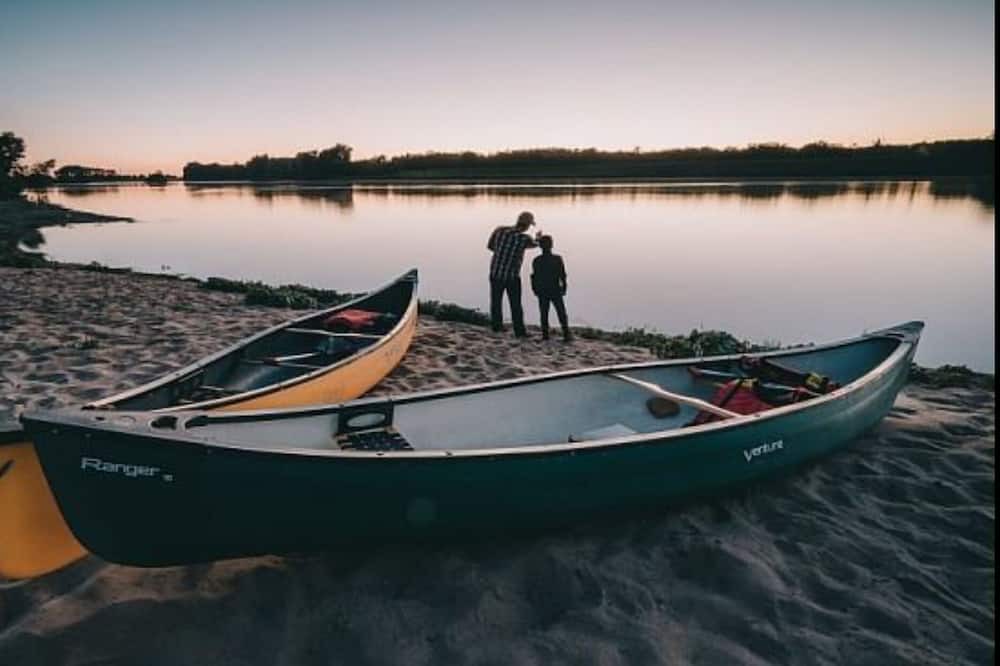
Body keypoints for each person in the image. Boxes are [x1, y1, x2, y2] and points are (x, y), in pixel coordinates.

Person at [487, 211, 539, 337]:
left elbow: (490, 246)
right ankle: (519, 331)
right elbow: (536, 245)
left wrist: (501, 252)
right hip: (511, 276)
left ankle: (496, 327)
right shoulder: (524, 239)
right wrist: (538, 237)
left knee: (496, 302)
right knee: (515, 304)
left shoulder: (499, 230)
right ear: (527, 226)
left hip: (495, 272)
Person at [530, 234, 572, 342]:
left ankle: (546, 334)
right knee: (560, 312)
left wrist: (534, 288)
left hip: (544, 290)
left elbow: (534, 277)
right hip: (554, 289)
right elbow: (562, 274)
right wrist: (564, 286)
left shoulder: (537, 260)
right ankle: (565, 333)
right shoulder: (557, 259)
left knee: (545, 312)